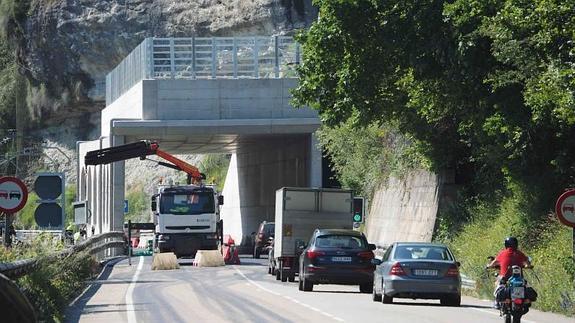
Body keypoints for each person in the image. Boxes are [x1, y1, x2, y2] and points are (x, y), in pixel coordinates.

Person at [486, 237, 532, 308]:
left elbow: (494, 263)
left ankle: (496, 301)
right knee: (525, 285)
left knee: (498, 283)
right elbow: (527, 263)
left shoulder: (503, 253)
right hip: (519, 278)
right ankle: (525, 300)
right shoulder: (520, 253)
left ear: (506, 244)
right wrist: (527, 266)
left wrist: (489, 266)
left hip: (505, 277)